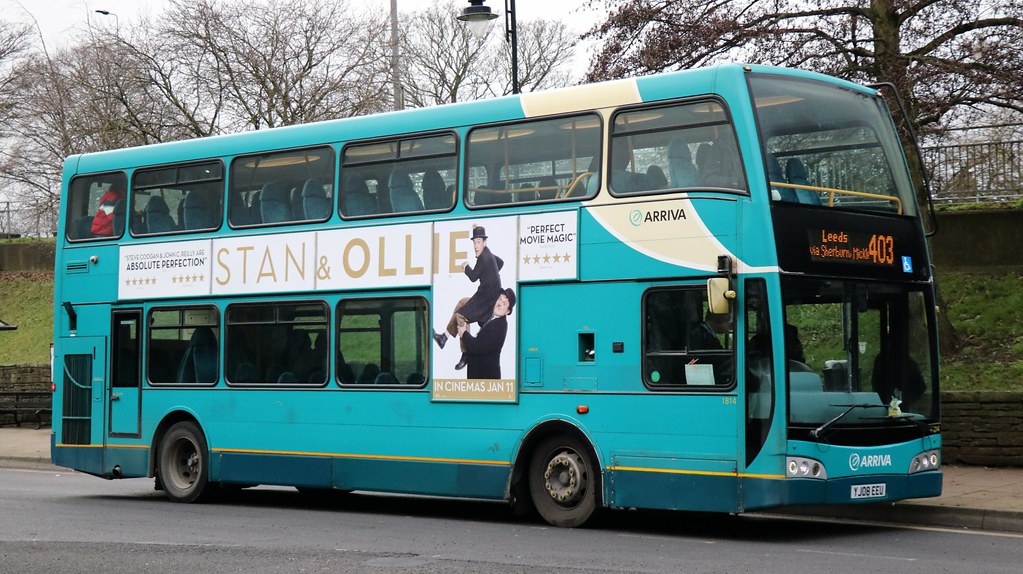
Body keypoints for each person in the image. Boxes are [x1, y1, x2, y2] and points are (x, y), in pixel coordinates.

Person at [434, 225, 504, 349]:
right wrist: (490, 274)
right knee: (462, 303)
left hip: (486, 302)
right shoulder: (489, 254)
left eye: (478, 242)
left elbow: (473, 277)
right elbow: (501, 262)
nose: (476, 246)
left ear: (484, 242)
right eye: (474, 242)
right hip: (485, 297)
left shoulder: (484, 258)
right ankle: (444, 338)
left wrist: (465, 267)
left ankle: (466, 352)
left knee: (461, 316)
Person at [456, 288, 515, 379]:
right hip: (481, 379)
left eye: (504, 304)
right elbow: (482, 321)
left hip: (485, 379)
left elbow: (477, 347)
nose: (499, 304)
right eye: (500, 299)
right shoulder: (493, 319)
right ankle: (445, 336)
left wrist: (463, 333)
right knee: (463, 304)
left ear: (507, 311)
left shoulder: (499, 327)